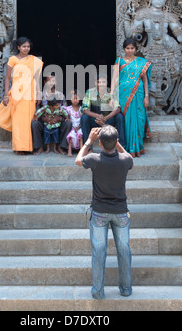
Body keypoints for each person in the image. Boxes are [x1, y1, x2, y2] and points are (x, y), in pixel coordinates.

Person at [75, 125, 134, 299]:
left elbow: (78, 160)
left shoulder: (94, 158)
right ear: (116, 142)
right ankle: (125, 289)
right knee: (124, 250)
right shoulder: (125, 160)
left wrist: (88, 141)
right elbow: (129, 157)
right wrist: (116, 143)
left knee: (98, 252)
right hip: (121, 212)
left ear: (100, 143)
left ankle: (98, 291)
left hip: (100, 212)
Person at [0, 37, 43, 154]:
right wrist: (6, 95)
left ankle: (28, 147)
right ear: (18, 47)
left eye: (28, 46)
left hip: (29, 95)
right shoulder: (13, 60)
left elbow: (36, 79)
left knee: (28, 121)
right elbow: (8, 78)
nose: (27, 49)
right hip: (16, 95)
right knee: (18, 122)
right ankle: (18, 148)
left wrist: (38, 94)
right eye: (24, 46)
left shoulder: (33, 60)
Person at [111, 37, 152, 157]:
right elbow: (114, 79)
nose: (130, 50)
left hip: (138, 96)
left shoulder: (141, 62)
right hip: (123, 95)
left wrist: (146, 96)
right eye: (127, 48)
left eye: (132, 48)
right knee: (126, 120)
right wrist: (112, 96)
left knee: (139, 120)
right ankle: (127, 147)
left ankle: (137, 147)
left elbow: (145, 81)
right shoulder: (119, 61)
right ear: (124, 49)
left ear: (135, 49)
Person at [80, 74, 125, 150]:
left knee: (119, 116)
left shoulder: (111, 92)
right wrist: (97, 116)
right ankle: (88, 147)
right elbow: (84, 109)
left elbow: (117, 109)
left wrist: (105, 118)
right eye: (98, 82)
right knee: (84, 118)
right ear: (95, 83)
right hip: (95, 120)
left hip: (108, 120)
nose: (101, 84)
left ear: (107, 82)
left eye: (103, 82)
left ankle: (122, 146)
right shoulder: (90, 92)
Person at [32, 74, 72, 155]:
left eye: (53, 81)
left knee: (68, 123)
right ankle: (39, 147)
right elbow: (36, 112)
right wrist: (44, 119)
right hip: (44, 122)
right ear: (44, 82)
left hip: (58, 122)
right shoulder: (40, 96)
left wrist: (59, 118)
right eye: (48, 81)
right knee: (34, 123)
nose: (51, 83)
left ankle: (61, 146)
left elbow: (66, 110)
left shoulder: (60, 95)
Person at [65, 90, 83, 157]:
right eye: (73, 99)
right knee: (71, 136)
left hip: (79, 127)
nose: (75, 100)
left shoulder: (81, 109)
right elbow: (68, 117)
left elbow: (82, 120)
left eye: (77, 98)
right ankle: (69, 151)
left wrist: (78, 128)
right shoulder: (68, 109)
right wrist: (73, 128)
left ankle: (81, 151)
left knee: (80, 135)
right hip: (72, 127)